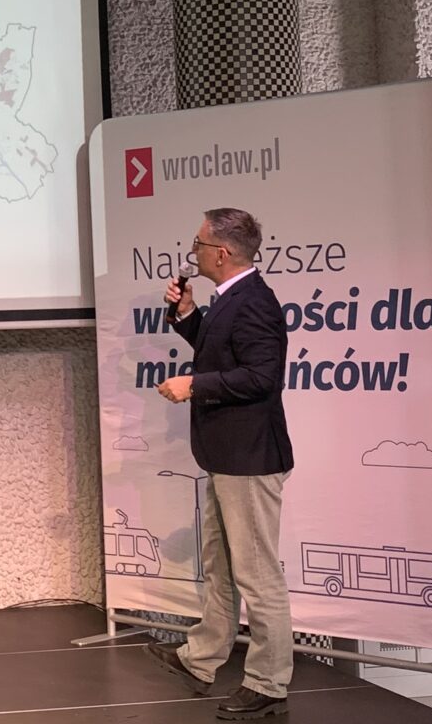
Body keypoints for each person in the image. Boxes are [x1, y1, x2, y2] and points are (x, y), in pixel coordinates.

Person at [145, 207, 295, 721]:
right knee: (223, 566)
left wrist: (193, 385)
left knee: (257, 575)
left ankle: (268, 684)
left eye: (198, 244)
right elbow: (221, 354)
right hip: (227, 456)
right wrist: (188, 315)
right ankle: (201, 658)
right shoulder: (231, 298)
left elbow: (262, 377)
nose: (193, 252)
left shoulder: (255, 302)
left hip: (250, 458)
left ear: (222, 252)